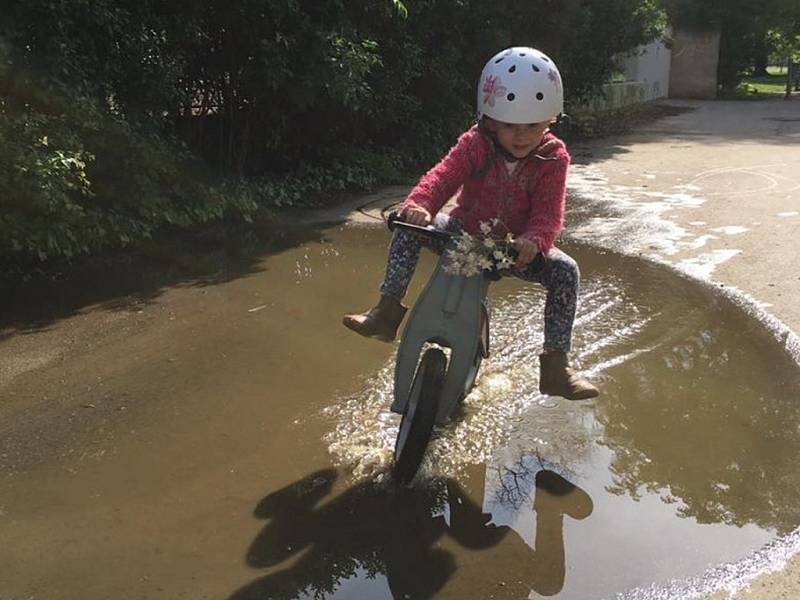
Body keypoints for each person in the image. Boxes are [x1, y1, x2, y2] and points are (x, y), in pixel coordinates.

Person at [343, 47, 598, 400]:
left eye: (533, 126)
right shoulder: (476, 143)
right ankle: (386, 312)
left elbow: (548, 212)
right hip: (461, 233)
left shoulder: (553, 158)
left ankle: (555, 366)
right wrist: (420, 205)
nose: (521, 136)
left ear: (550, 121)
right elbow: (442, 177)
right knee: (405, 225)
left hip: (512, 250)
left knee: (566, 271)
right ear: (489, 119)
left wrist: (535, 240)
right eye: (510, 125)